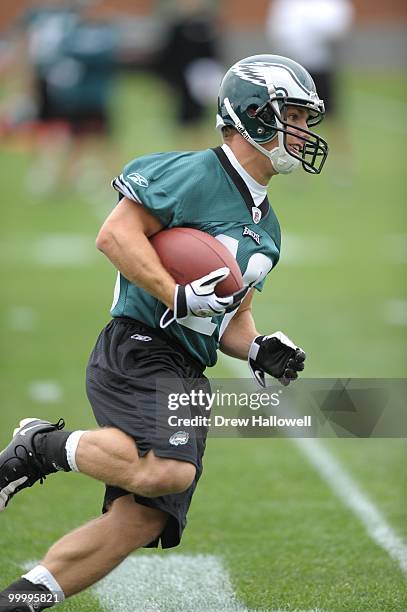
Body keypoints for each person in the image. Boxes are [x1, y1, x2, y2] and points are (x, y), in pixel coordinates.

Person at [0, 54, 328, 610]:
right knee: (169, 471)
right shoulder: (193, 173)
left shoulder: (266, 225)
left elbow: (230, 315)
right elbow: (115, 235)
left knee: (141, 519)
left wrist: (257, 346)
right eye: (292, 115)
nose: (301, 130)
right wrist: (173, 293)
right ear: (254, 116)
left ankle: (19, 600)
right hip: (140, 344)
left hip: (186, 366)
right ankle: (40, 447)